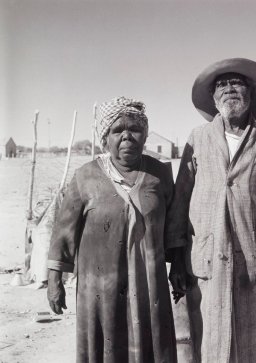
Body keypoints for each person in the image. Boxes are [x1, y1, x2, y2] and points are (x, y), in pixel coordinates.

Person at [166, 58, 256, 363]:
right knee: (207, 342)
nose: (229, 89)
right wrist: (175, 258)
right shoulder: (197, 138)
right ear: (213, 98)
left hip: (251, 259)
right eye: (221, 85)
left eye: (237, 82)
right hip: (205, 258)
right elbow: (180, 200)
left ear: (251, 92)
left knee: (249, 343)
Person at [47, 96, 178, 363]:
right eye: (118, 130)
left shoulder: (160, 174)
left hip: (148, 285)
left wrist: (179, 267)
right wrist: (54, 280)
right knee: (102, 346)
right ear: (105, 138)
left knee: (151, 343)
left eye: (135, 130)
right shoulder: (85, 176)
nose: (127, 136)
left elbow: (175, 226)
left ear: (145, 136)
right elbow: (63, 232)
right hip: (98, 287)